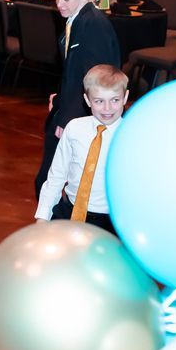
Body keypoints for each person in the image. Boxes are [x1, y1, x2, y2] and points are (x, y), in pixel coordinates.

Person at [35, 0, 121, 196]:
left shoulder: (93, 26)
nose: (59, 5)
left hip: (78, 115)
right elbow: (75, 70)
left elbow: (96, 81)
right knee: (51, 182)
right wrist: (61, 97)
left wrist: (67, 118)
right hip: (70, 107)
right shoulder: (77, 18)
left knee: (50, 182)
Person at [35, 64, 127, 234]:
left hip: (110, 222)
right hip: (69, 211)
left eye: (115, 100)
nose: (107, 108)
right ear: (87, 100)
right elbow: (56, 176)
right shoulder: (74, 128)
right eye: (99, 101)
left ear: (125, 96)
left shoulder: (131, 134)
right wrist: (43, 217)